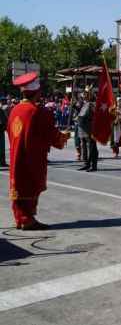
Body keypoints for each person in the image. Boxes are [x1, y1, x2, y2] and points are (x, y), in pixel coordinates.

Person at [6, 72, 70, 229]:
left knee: (19, 184)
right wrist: (63, 136)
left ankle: (20, 218)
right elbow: (51, 134)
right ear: (37, 92)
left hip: (17, 153)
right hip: (31, 156)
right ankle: (27, 219)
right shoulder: (37, 112)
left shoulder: (14, 110)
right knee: (30, 184)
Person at [77, 87, 98, 172]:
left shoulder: (92, 104)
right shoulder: (84, 103)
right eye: (84, 94)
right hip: (82, 127)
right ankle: (86, 163)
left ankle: (93, 165)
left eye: (86, 94)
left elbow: (91, 114)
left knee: (92, 147)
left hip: (89, 127)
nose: (84, 96)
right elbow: (80, 112)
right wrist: (75, 106)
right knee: (84, 146)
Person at [0, 96, 8, 167]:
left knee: (2, 147)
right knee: (1, 147)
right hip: (1, 131)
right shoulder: (2, 109)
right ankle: (2, 162)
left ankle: (2, 162)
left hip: (1, 131)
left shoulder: (2, 110)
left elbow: (5, 120)